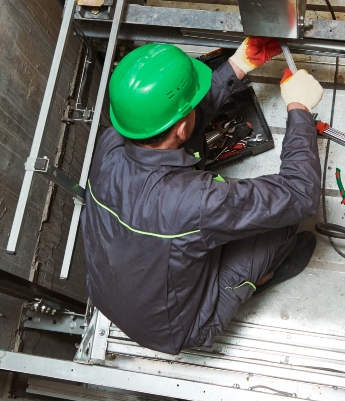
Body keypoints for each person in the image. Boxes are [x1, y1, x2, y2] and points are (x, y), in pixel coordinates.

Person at [82, 37, 325, 355]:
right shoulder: (191, 200)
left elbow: (177, 124)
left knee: (202, 198)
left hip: (108, 293)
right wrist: (299, 109)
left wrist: (239, 65)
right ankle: (263, 275)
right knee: (282, 220)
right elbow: (300, 194)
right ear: (181, 127)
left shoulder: (112, 141)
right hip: (177, 329)